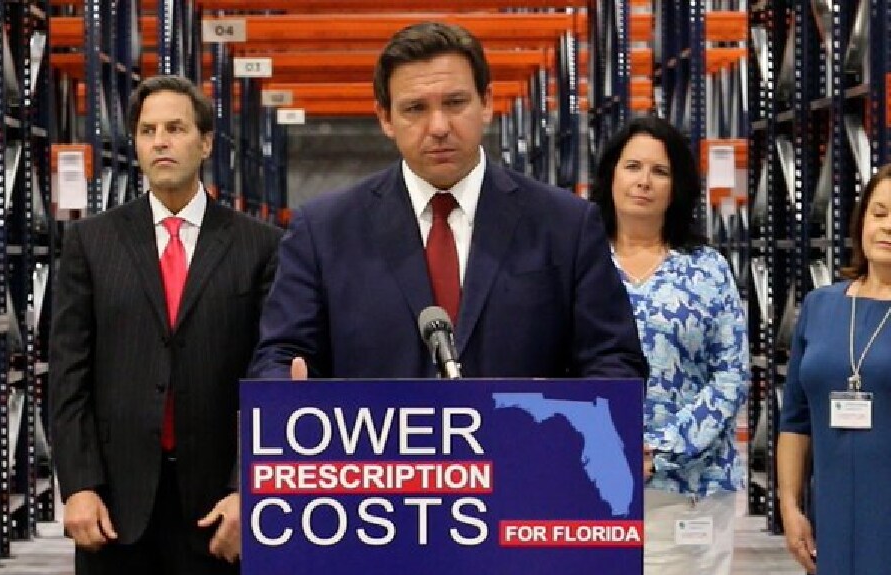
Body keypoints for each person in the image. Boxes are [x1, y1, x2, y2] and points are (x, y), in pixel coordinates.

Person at [249, 22, 646, 383]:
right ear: (386, 118)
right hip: (378, 460)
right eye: (415, 109)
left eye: (455, 103)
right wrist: (285, 390)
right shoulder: (323, 231)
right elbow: (282, 354)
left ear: (486, 103)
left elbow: (612, 357)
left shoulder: (565, 224)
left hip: (523, 455)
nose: (438, 127)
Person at [50, 74, 281, 575]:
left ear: (206, 142)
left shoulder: (260, 246)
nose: (160, 141)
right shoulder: (92, 243)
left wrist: (249, 487)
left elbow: (270, 377)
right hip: (116, 505)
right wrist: (79, 485)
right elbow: (69, 374)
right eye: (147, 130)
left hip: (220, 508)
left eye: (175, 128)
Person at [589, 116, 749, 575]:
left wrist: (659, 449)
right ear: (611, 176)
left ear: (677, 186)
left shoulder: (707, 269)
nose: (643, 181)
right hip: (593, 472)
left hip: (689, 485)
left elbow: (731, 374)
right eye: (632, 166)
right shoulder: (579, 261)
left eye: (659, 171)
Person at [777, 164, 891, 575]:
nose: (888, 227)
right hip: (831, 514)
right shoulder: (820, 305)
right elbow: (795, 419)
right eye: (879, 213)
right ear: (862, 220)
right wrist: (790, 508)